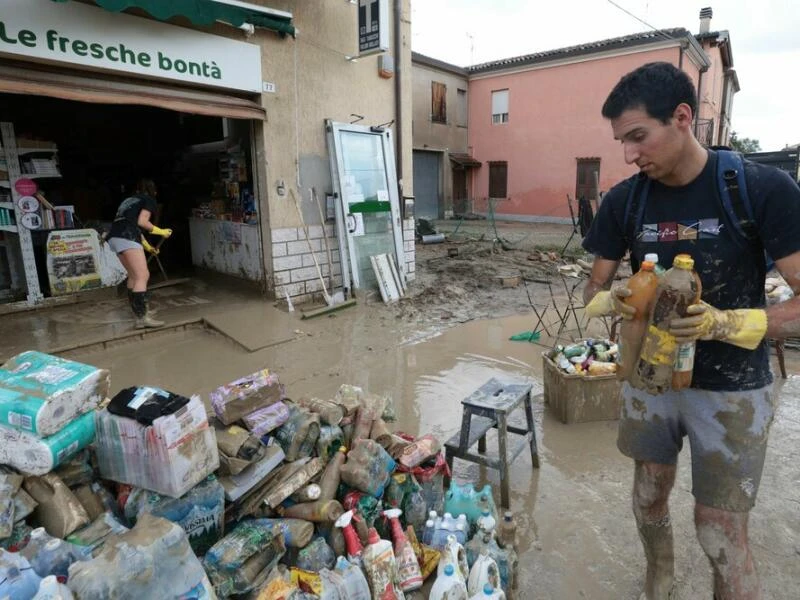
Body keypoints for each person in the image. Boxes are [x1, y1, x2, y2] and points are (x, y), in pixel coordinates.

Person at [582, 62, 800, 600]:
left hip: (731, 387)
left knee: (719, 530)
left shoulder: (758, 189)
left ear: (682, 118)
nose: (629, 154)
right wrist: (614, 299)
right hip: (649, 379)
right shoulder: (625, 200)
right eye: (622, 142)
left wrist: (727, 323)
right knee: (648, 495)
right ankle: (659, 577)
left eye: (638, 136)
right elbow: (594, 290)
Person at [106, 179, 172, 328]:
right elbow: (142, 222)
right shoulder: (148, 200)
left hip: (115, 238)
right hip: (127, 237)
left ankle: (138, 312)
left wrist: (148, 247)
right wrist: (160, 231)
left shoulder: (129, 201)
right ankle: (142, 318)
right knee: (143, 276)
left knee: (134, 276)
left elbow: (132, 225)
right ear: (153, 191)